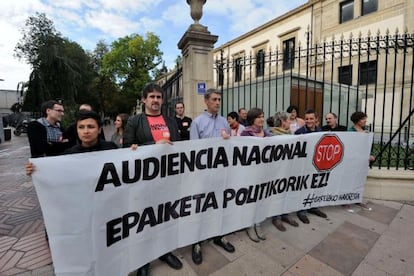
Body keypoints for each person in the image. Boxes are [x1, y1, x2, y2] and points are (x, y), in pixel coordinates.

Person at [123, 83, 182, 276]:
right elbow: (127, 149)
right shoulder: (134, 122)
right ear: (144, 100)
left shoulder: (171, 121)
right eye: (152, 97)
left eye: (158, 97)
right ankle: (144, 260)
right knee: (145, 220)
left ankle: (165, 251)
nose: (155, 100)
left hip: (167, 179)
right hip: (144, 180)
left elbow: (179, 147)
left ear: (162, 100)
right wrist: (154, 144)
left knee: (166, 216)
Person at [190, 88, 234, 265]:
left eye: (219, 100)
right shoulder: (197, 123)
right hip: (204, 174)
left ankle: (218, 235)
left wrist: (227, 139)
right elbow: (193, 151)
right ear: (206, 101)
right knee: (201, 207)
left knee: (220, 205)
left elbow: (232, 147)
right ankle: (196, 243)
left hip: (221, 173)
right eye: (214, 99)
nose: (217, 102)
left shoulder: (224, 121)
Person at [240, 108, 269, 242]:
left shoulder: (266, 133)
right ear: (252, 119)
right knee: (250, 198)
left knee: (260, 198)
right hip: (250, 173)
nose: (261, 119)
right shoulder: (246, 133)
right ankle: (249, 225)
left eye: (262, 116)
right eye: (258, 117)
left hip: (263, 171)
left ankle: (258, 223)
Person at [294, 109, 328, 223]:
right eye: (306, 119)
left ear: (316, 120)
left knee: (315, 186)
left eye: (311, 118)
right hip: (304, 165)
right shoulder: (299, 132)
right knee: (303, 187)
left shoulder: (320, 130)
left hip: (317, 164)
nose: (308, 121)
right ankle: (301, 211)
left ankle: (313, 207)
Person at [268, 111, 299, 231]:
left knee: (287, 193)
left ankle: (285, 215)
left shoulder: (290, 134)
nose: (290, 122)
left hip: (288, 169)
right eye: (287, 120)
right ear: (282, 122)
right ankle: (276, 218)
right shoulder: (272, 135)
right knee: (277, 194)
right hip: (277, 171)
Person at [348, 111, 374, 211]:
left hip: (363, 161)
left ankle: (357, 198)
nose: (365, 121)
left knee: (359, 180)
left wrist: (370, 154)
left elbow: (368, 146)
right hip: (353, 161)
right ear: (357, 120)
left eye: (365, 119)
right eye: (363, 119)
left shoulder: (365, 131)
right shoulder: (351, 132)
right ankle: (346, 201)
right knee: (351, 180)